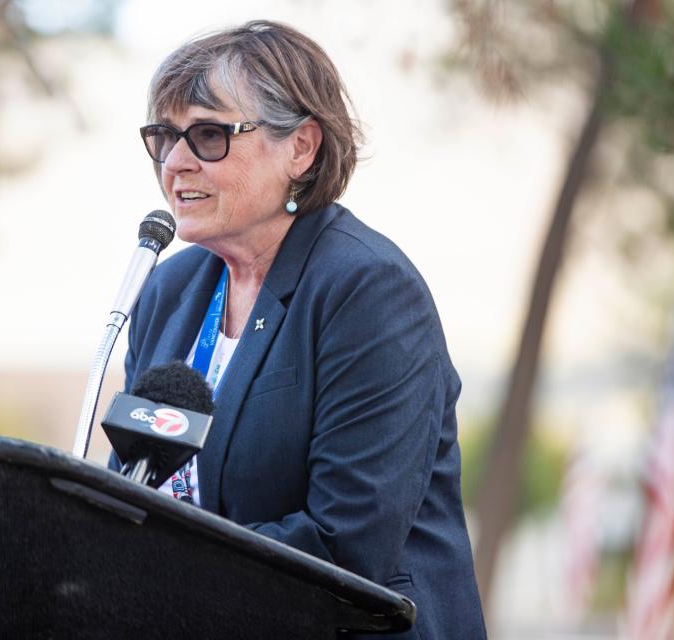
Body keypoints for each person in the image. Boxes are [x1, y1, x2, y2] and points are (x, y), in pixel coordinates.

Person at [112, 20, 486, 638]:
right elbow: (135, 481)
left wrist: (160, 568)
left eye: (208, 134)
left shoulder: (367, 290)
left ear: (302, 148)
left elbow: (346, 544)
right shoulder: (168, 291)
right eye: (163, 136)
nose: (176, 162)